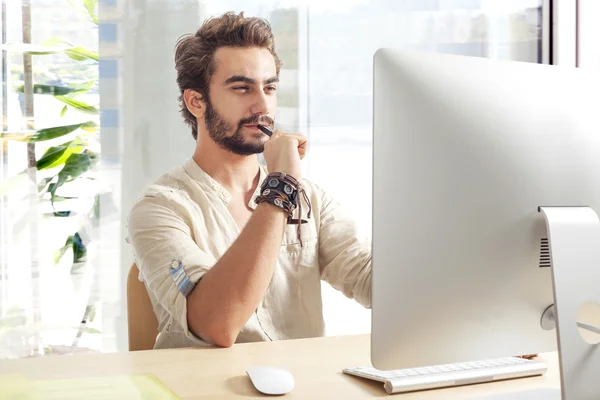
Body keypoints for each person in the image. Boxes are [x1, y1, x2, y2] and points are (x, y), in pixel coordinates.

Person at [127, 11, 371, 349]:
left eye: (269, 87)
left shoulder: (311, 199)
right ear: (196, 101)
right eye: (242, 88)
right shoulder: (159, 210)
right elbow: (217, 324)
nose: (262, 105)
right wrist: (280, 185)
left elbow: (369, 279)